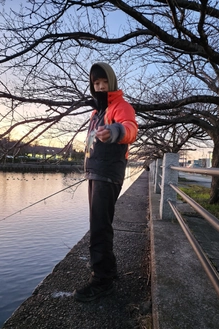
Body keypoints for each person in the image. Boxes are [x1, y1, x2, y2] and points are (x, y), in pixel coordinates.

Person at [74, 62, 138, 302]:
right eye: (96, 83)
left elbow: (130, 128)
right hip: (96, 172)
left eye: (104, 83)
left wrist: (114, 131)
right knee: (100, 223)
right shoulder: (95, 112)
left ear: (112, 83)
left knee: (99, 226)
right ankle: (108, 270)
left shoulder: (122, 106)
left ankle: (102, 281)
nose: (100, 87)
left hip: (109, 173)